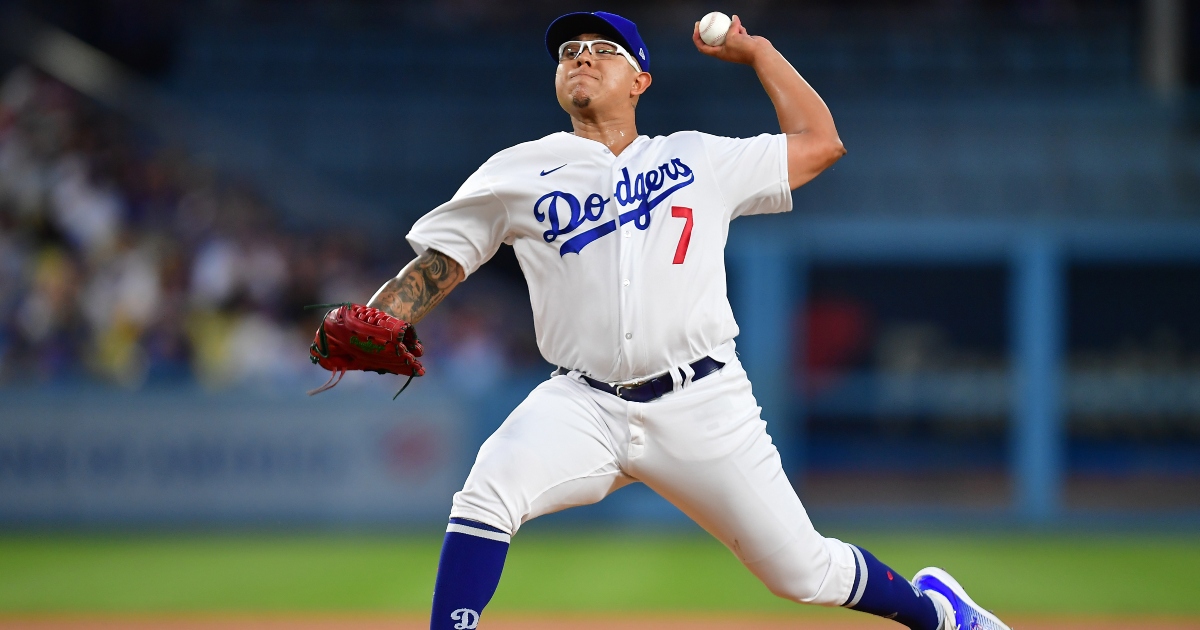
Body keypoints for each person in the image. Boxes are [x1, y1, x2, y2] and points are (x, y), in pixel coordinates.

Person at [366, 11, 1010, 630]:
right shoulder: (519, 170)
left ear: (641, 80)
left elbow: (821, 144)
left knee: (802, 573)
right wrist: (377, 317)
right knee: (485, 494)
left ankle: (941, 613)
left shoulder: (698, 158)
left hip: (701, 401)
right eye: (568, 52)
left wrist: (757, 52)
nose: (581, 57)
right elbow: (441, 263)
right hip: (582, 402)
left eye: (604, 49)